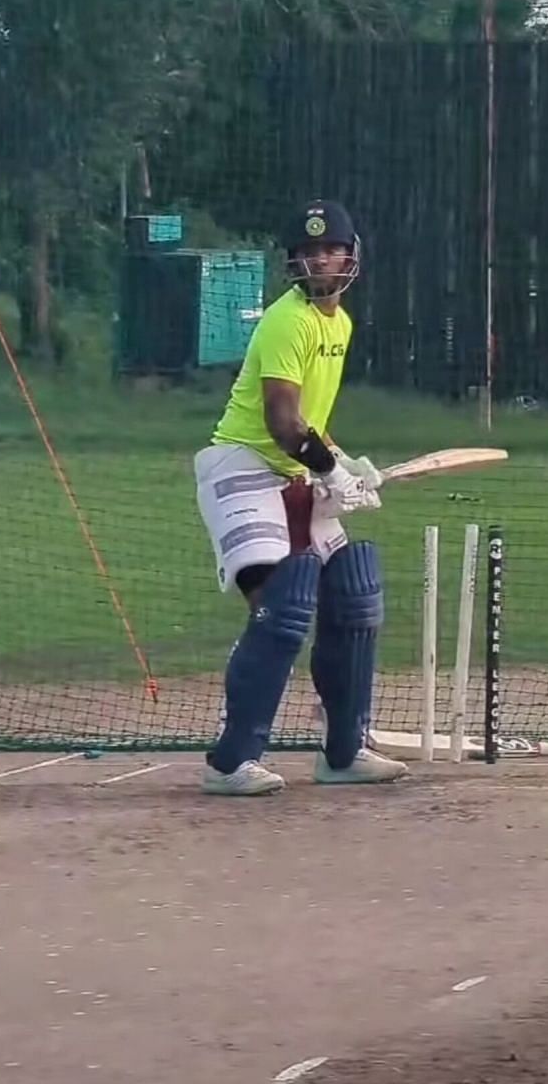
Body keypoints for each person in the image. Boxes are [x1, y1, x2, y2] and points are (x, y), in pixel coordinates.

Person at [190, 199, 410, 796]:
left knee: (353, 593)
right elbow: (283, 421)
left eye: (329, 248)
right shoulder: (288, 320)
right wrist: (328, 470)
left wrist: (343, 464)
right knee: (282, 611)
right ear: (296, 260)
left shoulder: (339, 324)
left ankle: (343, 752)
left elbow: (311, 422)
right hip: (242, 464)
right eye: (309, 251)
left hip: (293, 470)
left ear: (350, 256)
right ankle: (230, 761)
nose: (319, 259)